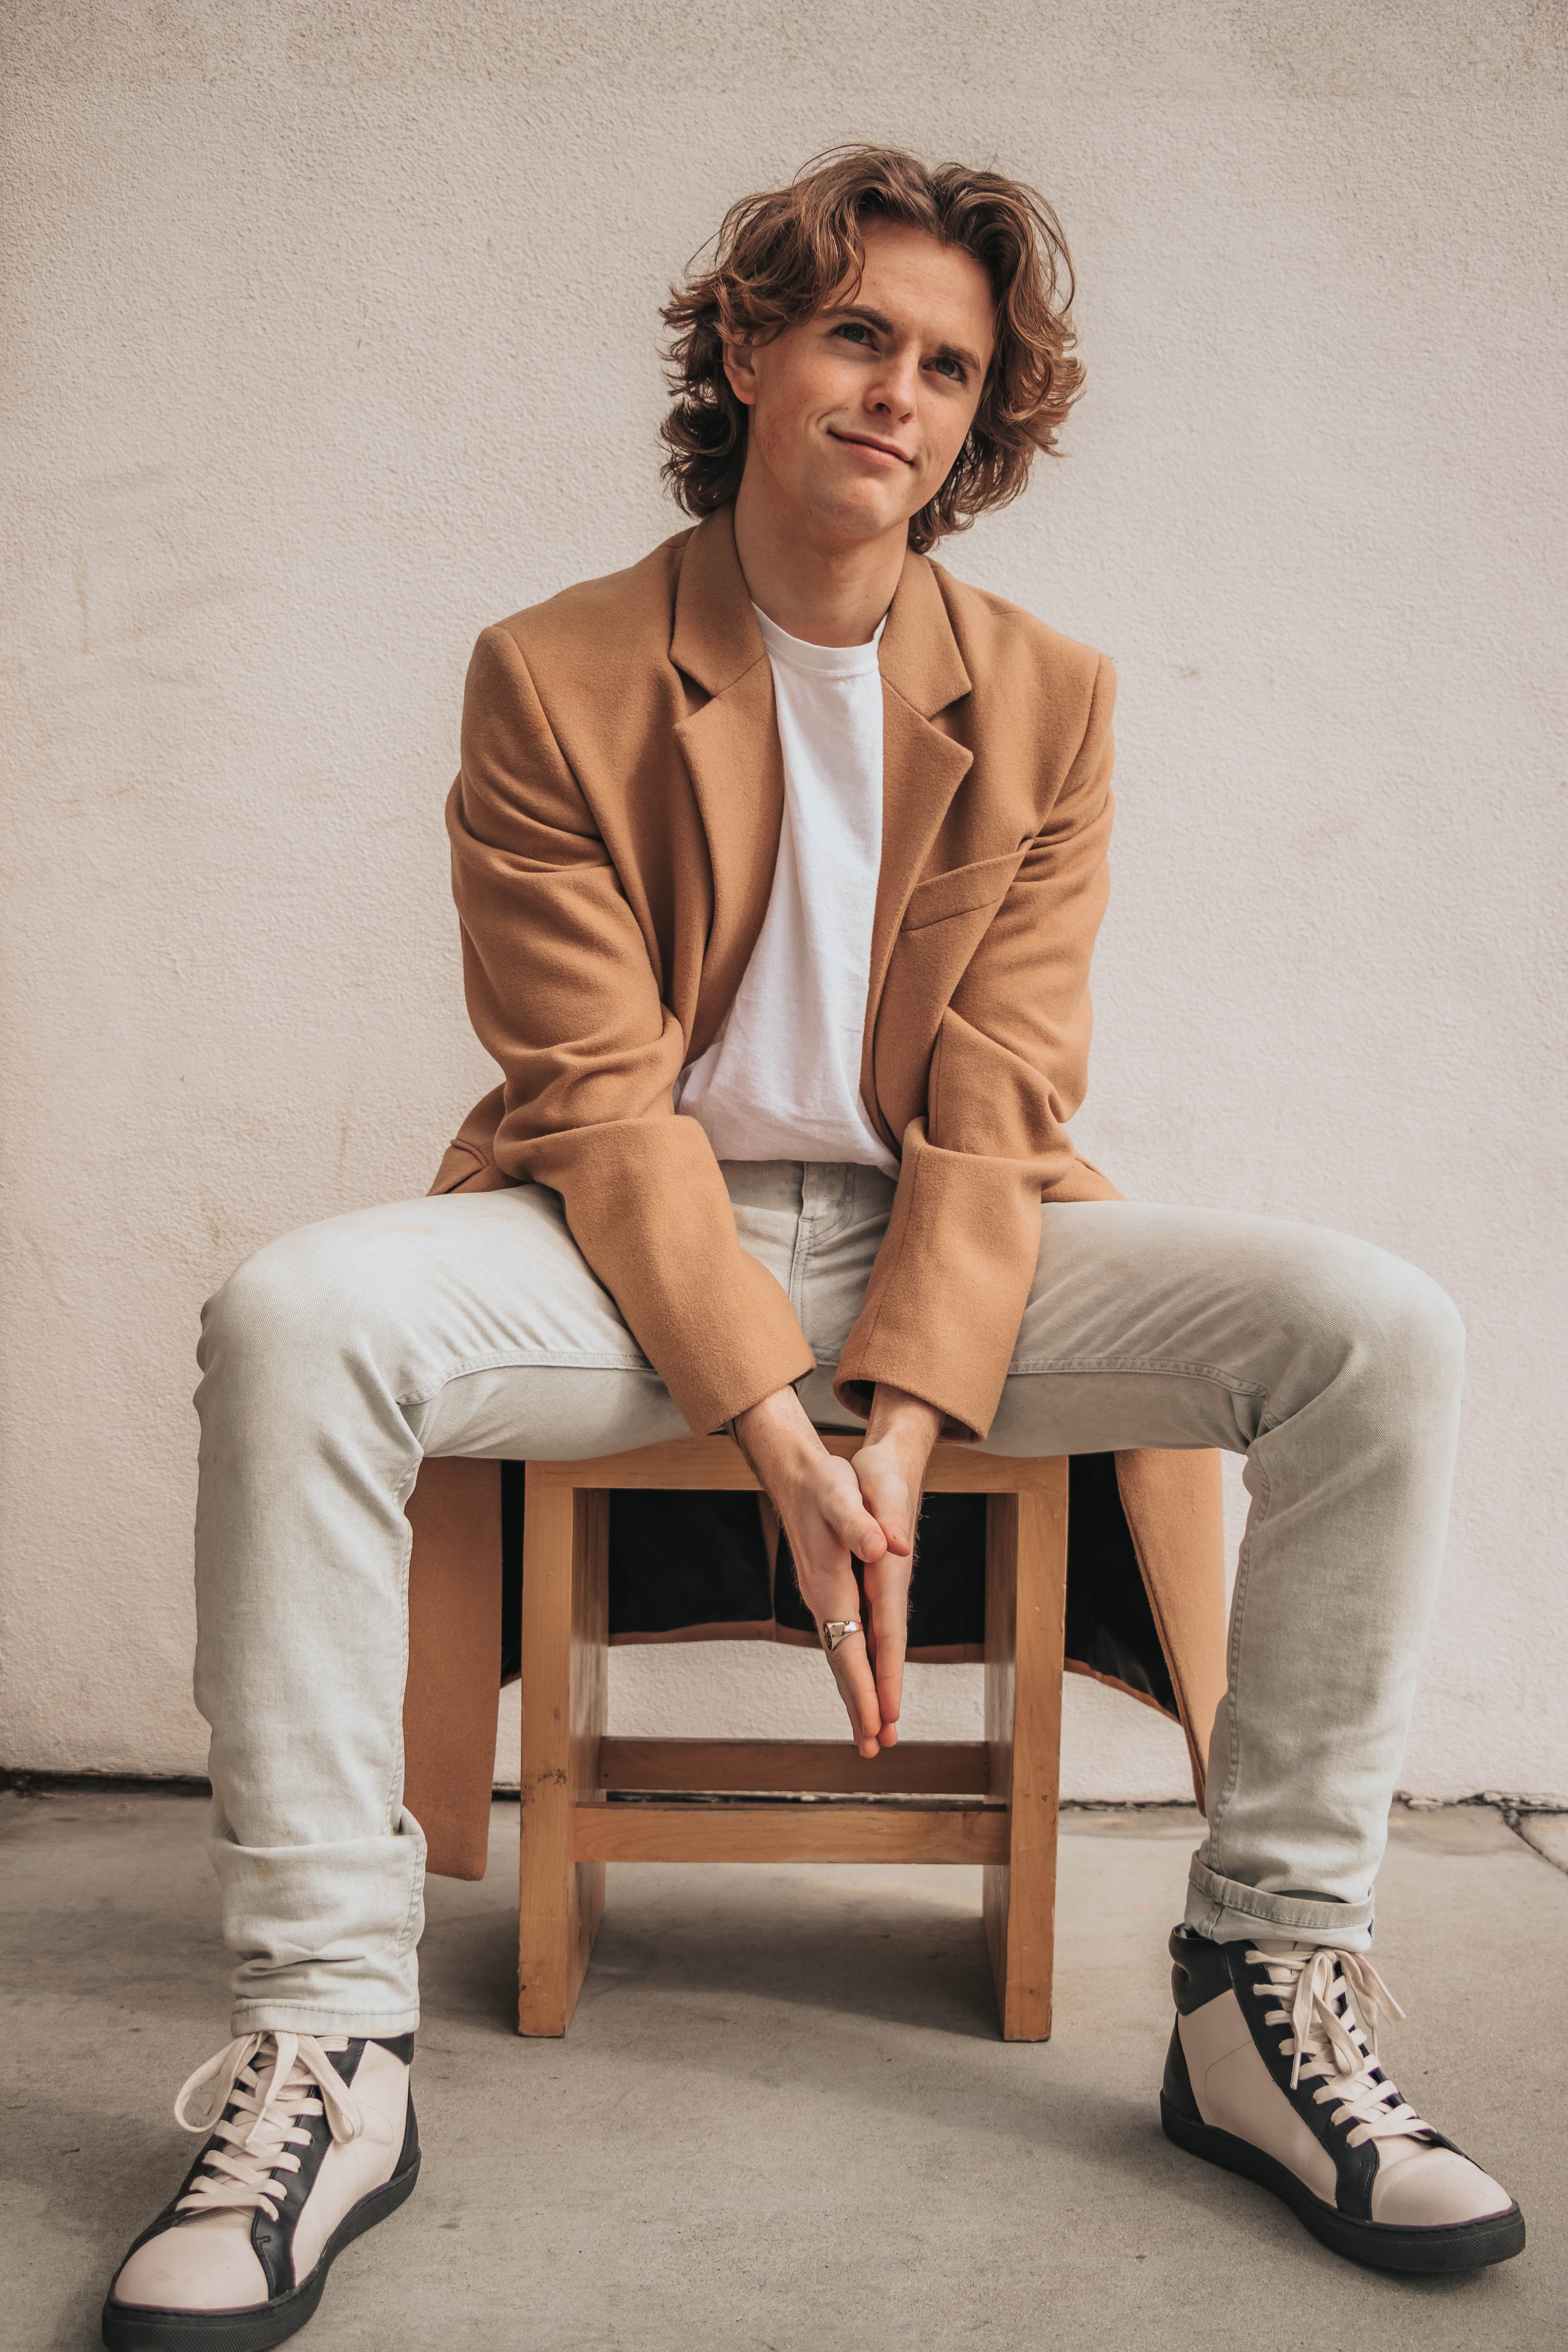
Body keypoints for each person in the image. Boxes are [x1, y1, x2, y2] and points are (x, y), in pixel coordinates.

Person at [100, 144, 1523, 2350]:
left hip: (957, 1243)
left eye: (951, 365)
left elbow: (1000, 1093)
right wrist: (779, 1418)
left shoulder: (1052, 694)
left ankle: (1265, 1992)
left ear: (983, 420)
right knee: (292, 1318)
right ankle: (329, 2048)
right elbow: (589, 1095)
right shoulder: (551, 671)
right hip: (620, 1248)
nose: (900, 392)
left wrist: (910, 1416)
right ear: (750, 350)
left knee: (1377, 1328)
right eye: (859, 332)